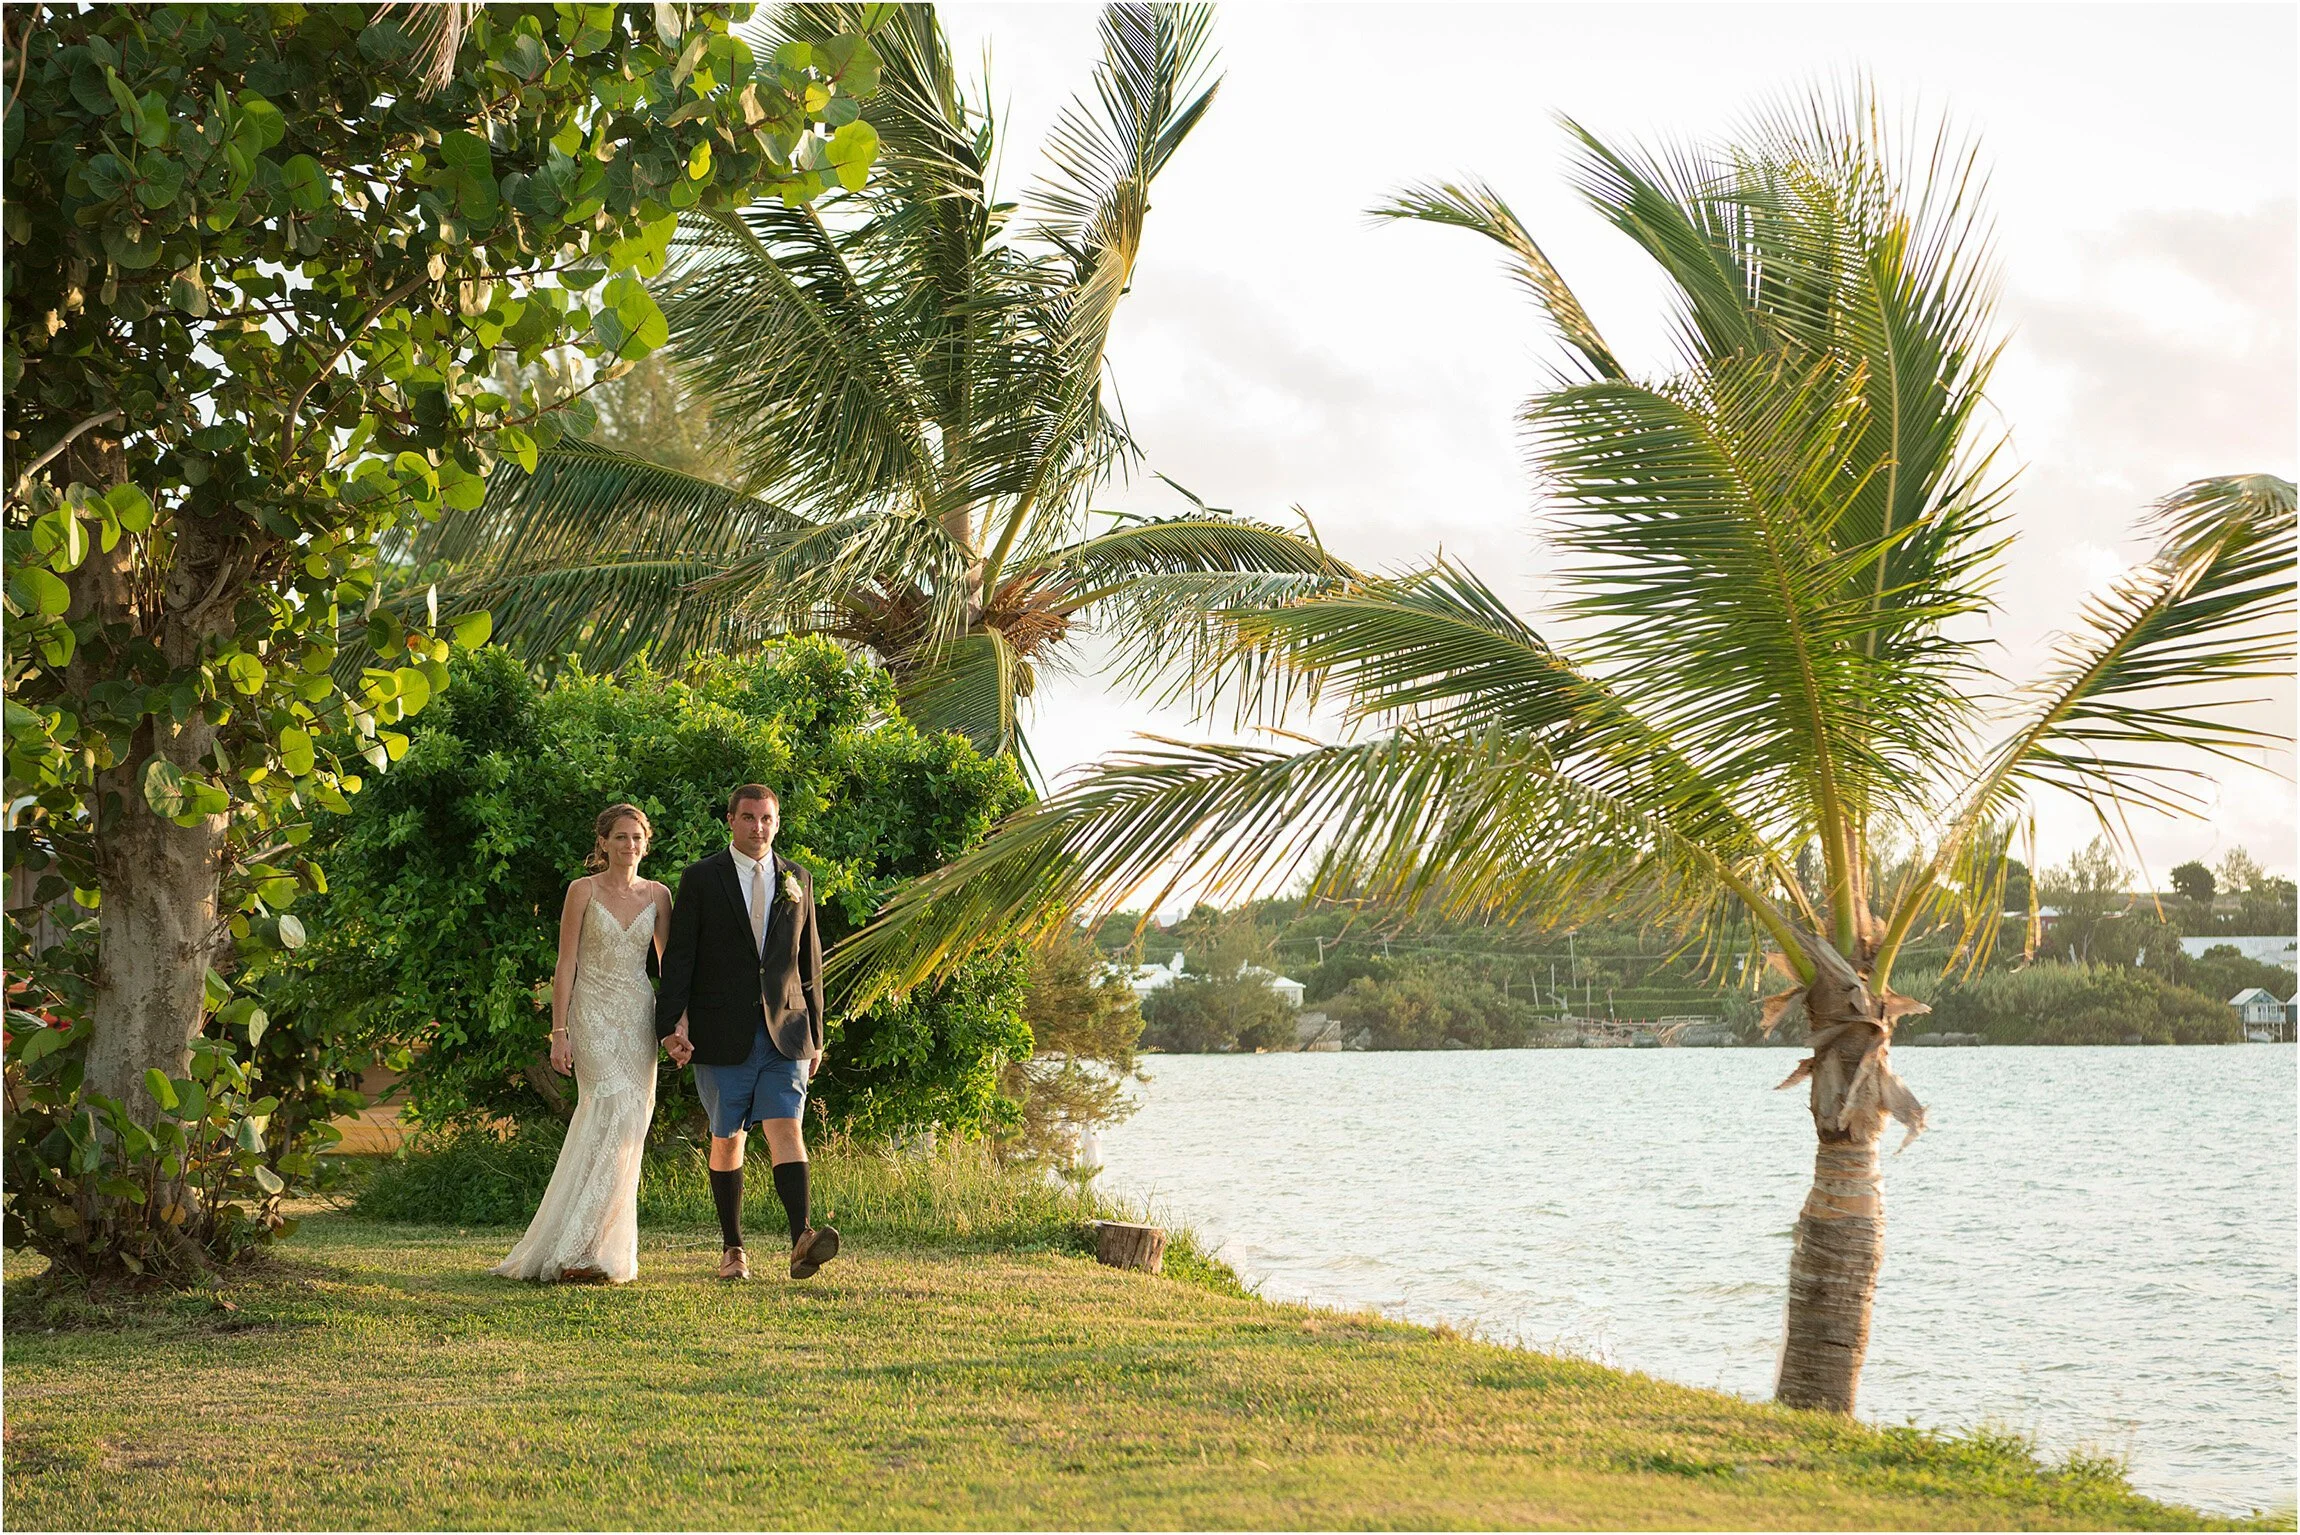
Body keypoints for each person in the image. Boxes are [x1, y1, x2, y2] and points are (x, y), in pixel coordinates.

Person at [656, 784, 838, 1281]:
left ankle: (801, 1237)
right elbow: (680, 959)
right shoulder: (700, 878)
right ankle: (733, 1249)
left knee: (788, 1127)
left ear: (777, 822)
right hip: (721, 1030)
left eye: (767, 818)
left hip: (787, 1029)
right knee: (728, 1138)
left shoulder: (798, 878)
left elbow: (810, 962)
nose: (759, 827)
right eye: (749, 817)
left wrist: (816, 1033)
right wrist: (671, 1023)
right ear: (731, 820)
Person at [494, 803, 672, 1285]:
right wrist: (559, 1031)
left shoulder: (659, 895)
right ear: (603, 843)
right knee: (607, 1109)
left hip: (639, 1019)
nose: (628, 845)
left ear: (646, 843)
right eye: (619, 837)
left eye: (636, 837)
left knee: (630, 1126)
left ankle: (599, 1248)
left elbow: (671, 970)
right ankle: (574, 1249)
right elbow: (565, 963)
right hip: (590, 1016)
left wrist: (681, 1025)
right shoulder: (582, 891)